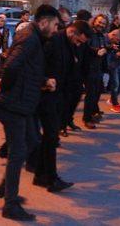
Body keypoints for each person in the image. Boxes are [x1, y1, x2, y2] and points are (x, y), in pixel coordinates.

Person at [0, 5, 60, 221]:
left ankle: (5, 188)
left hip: (23, 103)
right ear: (43, 22)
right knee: (18, 152)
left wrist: (42, 81)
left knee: (32, 142)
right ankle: (10, 205)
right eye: (56, 25)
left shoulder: (34, 38)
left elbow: (26, 72)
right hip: (14, 105)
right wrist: (5, 88)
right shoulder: (30, 38)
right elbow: (11, 67)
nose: (57, 29)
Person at [34, 20, 91, 193]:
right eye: (79, 40)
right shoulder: (53, 41)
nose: (79, 44)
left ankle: (40, 175)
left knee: (49, 138)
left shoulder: (71, 45)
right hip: (46, 95)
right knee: (51, 137)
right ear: (72, 31)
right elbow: (38, 66)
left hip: (58, 95)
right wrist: (44, 81)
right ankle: (51, 179)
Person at [83, 14, 108, 128]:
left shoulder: (101, 35)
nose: (101, 25)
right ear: (94, 21)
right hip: (88, 68)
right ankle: (87, 118)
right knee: (91, 94)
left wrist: (109, 48)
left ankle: (93, 113)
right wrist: (96, 51)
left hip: (98, 68)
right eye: (99, 22)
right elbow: (84, 48)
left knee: (97, 92)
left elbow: (103, 49)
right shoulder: (89, 34)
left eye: (103, 23)